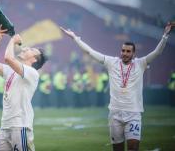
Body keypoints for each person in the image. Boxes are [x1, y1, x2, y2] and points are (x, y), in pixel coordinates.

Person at [60, 23, 172, 151]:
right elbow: (90, 52)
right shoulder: (111, 62)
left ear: (134, 54)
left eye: (128, 51)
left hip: (133, 113)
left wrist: (165, 35)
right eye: (123, 50)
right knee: (117, 149)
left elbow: (157, 52)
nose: (124, 53)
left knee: (133, 148)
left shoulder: (141, 63)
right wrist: (75, 38)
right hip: (115, 114)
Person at [0, 25, 47, 151]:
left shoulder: (32, 73)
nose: (26, 48)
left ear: (34, 59)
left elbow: (8, 58)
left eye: (31, 49)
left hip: (20, 126)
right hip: (5, 126)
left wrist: (12, 40)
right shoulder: (11, 70)